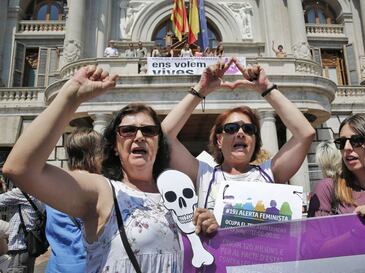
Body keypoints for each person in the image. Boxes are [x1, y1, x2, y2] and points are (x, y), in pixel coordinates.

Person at [3, 65, 217, 272]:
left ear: (158, 143)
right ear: (114, 146)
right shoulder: (102, 191)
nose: (139, 136)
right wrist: (70, 97)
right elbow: (20, 169)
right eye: (128, 130)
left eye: (149, 130)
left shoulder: (178, 192)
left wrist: (208, 227)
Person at [162, 59, 316, 215]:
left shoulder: (269, 173)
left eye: (248, 129)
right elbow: (165, 135)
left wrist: (266, 88)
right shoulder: (203, 176)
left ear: (255, 140)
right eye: (231, 128)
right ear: (219, 140)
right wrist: (200, 90)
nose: (240, 133)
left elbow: (305, 134)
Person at [45, 128, 103, 273]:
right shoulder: (94, 187)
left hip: (56, 266)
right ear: (93, 154)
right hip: (87, 266)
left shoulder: (54, 184)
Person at [0, 182, 44, 273]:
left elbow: (2, 199)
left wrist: (3, 185)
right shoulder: (36, 190)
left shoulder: (22, 192)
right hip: (29, 246)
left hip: (20, 247)